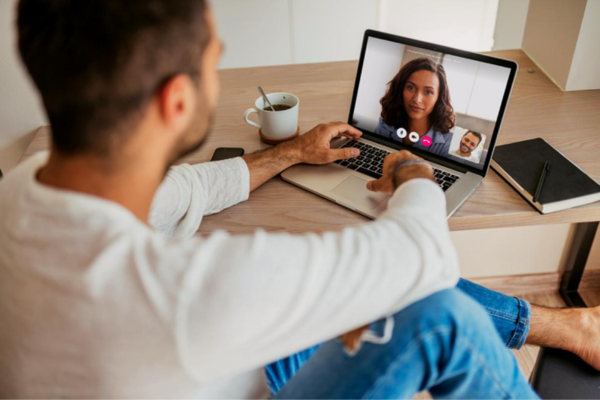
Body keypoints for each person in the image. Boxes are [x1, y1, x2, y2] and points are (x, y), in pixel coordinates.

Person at [0, 0, 599, 398]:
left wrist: (292, 152)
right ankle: (571, 329)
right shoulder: (185, 292)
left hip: (183, 369)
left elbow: (185, 187)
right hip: (236, 377)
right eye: (214, 58)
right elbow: (423, 258)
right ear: (176, 102)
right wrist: (412, 170)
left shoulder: (20, 188)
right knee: (440, 320)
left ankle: (567, 328)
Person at [375, 57, 455, 157]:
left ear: (438, 98)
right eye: (410, 87)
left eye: (428, 92)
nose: (417, 99)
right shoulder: (385, 123)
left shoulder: (449, 143)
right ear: (400, 89)